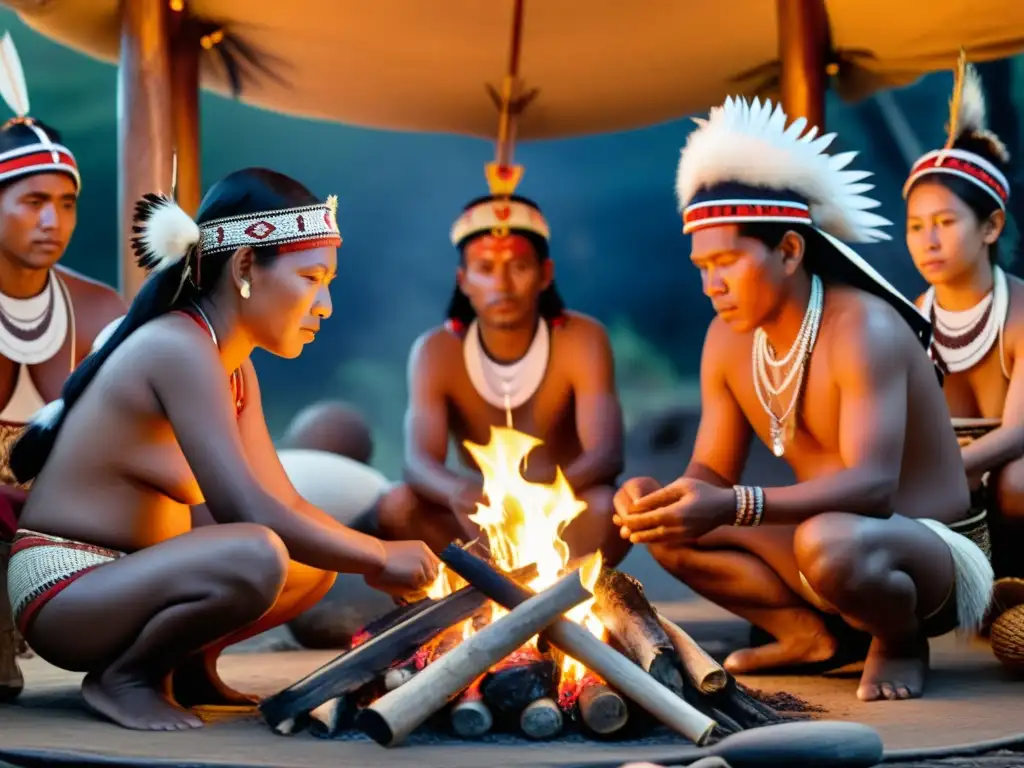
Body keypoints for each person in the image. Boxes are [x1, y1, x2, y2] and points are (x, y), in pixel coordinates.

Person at [4, 167, 439, 731]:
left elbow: (280, 498)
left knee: (311, 563)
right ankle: (126, 677)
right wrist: (378, 555)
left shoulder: (233, 366)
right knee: (258, 551)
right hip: (67, 587)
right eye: (310, 277)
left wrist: (362, 552)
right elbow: (247, 511)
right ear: (243, 268)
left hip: (131, 579)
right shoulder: (178, 347)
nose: (324, 303)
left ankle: (187, 666)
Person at [614, 96, 994, 703]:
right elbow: (712, 471)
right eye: (701, 267)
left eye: (727, 262)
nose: (711, 284)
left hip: (929, 553)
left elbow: (872, 487)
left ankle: (897, 641)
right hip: (826, 540)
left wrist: (732, 504)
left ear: (789, 251)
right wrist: (666, 500)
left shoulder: (862, 329)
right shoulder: (728, 338)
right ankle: (809, 637)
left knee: (827, 541)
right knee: (670, 532)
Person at [376, 163, 627, 565]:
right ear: (463, 279)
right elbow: (417, 462)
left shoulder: (581, 339)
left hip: (563, 512)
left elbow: (606, 456)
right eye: (485, 269)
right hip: (477, 517)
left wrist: (542, 498)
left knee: (612, 508)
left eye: (519, 267)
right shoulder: (436, 350)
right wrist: (463, 494)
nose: (503, 285)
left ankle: (568, 602)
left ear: (545, 274)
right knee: (398, 505)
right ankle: (463, 609)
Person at [0, 31, 126, 702]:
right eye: (33, 201)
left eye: (67, 202)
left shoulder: (99, 307)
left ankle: (147, 668)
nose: (54, 219)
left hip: (65, 520)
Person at [903, 57, 1022, 580]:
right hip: (948, 494)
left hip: (1002, 487)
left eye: (945, 222)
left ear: (991, 226)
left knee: (1019, 480)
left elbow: (1019, 435)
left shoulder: (1019, 311)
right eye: (916, 226)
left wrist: (943, 474)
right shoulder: (906, 320)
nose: (928, 240)